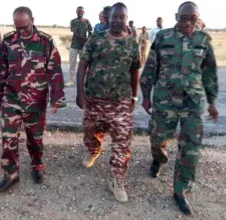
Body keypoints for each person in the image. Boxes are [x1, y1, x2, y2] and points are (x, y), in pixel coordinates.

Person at [140, 1, 218, 215]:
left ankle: (180, 189)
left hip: (192, 102)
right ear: (176, 16)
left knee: (190, 146)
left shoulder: (203, 39)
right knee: (156, 138)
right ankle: (159, 157)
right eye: (182, 18)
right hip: (165, 99)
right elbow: (150, 67)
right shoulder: (163, 37)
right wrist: (146, 95)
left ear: (198, 18)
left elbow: (209, 73)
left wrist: (212, 102)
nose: (186, 22)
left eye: (191, 18)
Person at [0, 6, 66, 192]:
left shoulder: (44, 42)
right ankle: (11, 174)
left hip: (36, 100)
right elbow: (1, 70)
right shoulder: (8, 41)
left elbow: (55, 71)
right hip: (11, 98)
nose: (21, 31)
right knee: (8, 137)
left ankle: (37, 165)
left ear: (32, 21)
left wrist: (57, 97)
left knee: (35, 138)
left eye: (25, 26)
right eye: (18, 28)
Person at [76, 2, 140, 203]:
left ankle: (118, 179)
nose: (118, 20)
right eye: (115, 16)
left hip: (120, 101)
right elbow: (82, 66)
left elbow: (135, 71)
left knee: (123, 139)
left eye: (122, 17)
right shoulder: (96, 38)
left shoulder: (132, 44)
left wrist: (135, 97)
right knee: (91, 130)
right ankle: (94, 150)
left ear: (125, 18)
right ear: (108, 17)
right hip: (94, 98)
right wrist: (80, 93)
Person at [66, 6, 92, 87]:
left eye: (81, 11)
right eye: (78, 11)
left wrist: (90, 39)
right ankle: (71, 80)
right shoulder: (73, 21)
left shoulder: (87, 21)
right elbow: (75, 33)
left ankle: (84, 81)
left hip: (83, 47)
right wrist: (85, 39)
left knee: (84, 65)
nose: (80, 12)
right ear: (76, 12)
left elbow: (90, 31)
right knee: (72, 64)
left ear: (84, 12)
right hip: (74, 46)